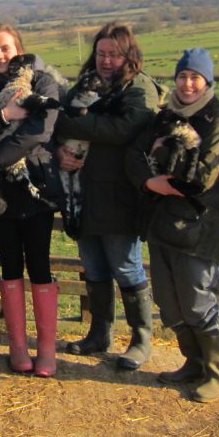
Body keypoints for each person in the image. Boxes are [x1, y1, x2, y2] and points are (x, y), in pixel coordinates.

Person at [126, 48, 219, 402]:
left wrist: (159, 157)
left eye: (195, 77)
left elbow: (203, 178)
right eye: (183, 76)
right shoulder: (164, 117)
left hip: (198, 227)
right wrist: (148, 181)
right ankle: (192, 362)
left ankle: (214, 373)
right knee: (169, 302)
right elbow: (133, 156)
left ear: (207, 81)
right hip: (161, 223)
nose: (188, 84)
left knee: (198, 301)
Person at [54, 23, 161, 370]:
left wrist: (69, 126)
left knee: (126, 266)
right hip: (83, 193)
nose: (106, 60)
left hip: (120, 193)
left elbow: (123, 129)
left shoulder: (139, 87)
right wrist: (59, 150)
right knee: (95, 266)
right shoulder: (85, 85)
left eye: (114, 54)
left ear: (128, 55)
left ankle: (141, 338)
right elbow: (60, 123)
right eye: (101, 53)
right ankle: (100, 333)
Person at [0, 25, 63, 377]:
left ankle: (47, 349)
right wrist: (4, 115)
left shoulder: (42, 84)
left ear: (19, 49)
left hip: (35, 185)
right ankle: (18, 346)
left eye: (5, 48)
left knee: (39, 262)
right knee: (9, 264)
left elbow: (40, 130)